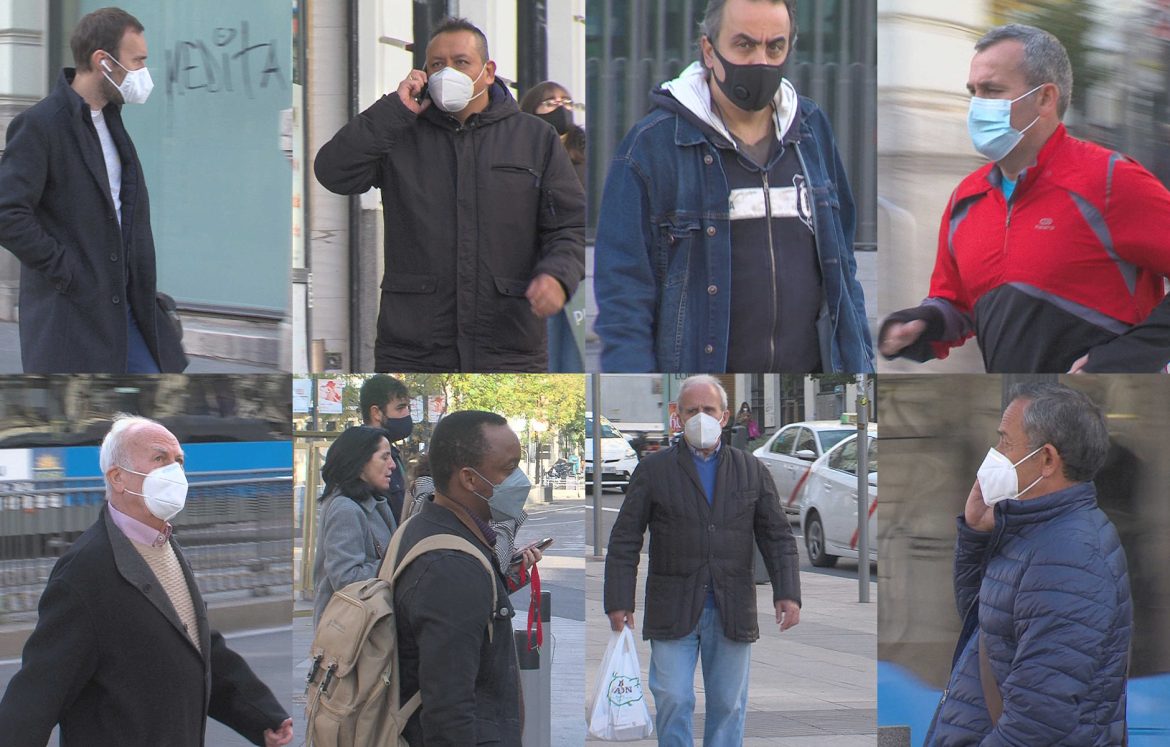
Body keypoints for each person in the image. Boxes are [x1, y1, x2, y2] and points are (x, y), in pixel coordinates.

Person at [593, 0, 873, 374]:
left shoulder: (812, 129)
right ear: (709, 50)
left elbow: (843, 267)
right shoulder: (651, 147)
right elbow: (623, 296)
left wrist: (863, 364)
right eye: (744, 45)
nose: (761, 61)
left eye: (774, 46)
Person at [879, 24, 1170, 373]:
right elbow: (957, 304)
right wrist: (920, 324)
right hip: (1018, 401)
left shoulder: (1111, 180)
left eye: (992, 90)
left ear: (1045, 98)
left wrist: (1129, 358)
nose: (976, 106)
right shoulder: (965, 199)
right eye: (973, 91)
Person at [0, 415, 292, 746]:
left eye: (179, 461)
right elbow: (35, 696)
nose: (175, 472)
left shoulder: (166, 545)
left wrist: (262, 716)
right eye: (160, 459)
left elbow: (196, 644)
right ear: (118, 477)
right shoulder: (84, 571)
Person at [314, 18, 585, 372]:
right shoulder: (400, 133)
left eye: (461, 62)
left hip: (508, 345)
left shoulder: (534, 138)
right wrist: (393, 111)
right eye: (437, 65)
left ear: (488, 72)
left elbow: (569, 225)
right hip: (414, 347)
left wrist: (557, 275)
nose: (448, 72)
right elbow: (333, 171)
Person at [925, 383, 1131, 745]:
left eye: (1005, 441)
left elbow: (1038, 719)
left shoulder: (1069, 554)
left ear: (1048, 459)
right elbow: (986, 625)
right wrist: (975, 534)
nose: (995, 454)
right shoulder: (1034, 530)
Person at [604, 375, 801, 746]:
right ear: (677, 416)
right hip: (673, 608)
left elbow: (777, 536)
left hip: (731, 609)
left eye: (708, 410)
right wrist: (619, 601)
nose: (701, 417)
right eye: (691, 410)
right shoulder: (654, 470)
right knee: (673, 698)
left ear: (724, 416)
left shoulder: (751, 469)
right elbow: (625, 539)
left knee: (728, 705)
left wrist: (787, 593)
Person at [0, 7, 185, 373]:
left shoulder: (111, 122)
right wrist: (67, 270)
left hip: (126, 308)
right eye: (137, 61)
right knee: (91, 424)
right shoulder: (41, 125)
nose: (142, 74)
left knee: (154, 404)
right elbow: (7, 213)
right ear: (103, 61)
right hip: (74, 316)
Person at [392, 410, 542, 743]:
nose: (520, 479)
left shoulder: (426, 528)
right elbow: (449, 712)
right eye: (508, 469)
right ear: (469, 478)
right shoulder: (451, 566)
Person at [519, 80, 588, 372]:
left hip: (569, 275)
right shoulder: (520, 156)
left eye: (566, 102)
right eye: (550, 102)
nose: (560, 108)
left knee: (572, 357)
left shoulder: (583, 160)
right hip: (532, 275)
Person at [312, 425, 398, 626]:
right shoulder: (345, 509)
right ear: (359, 462)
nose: (392, 465)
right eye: (384, 457)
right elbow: (346, 579)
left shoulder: (372, 503)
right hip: (350, 636)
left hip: (367, 627)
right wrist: (399, 564)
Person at [360, 374, 412, 519]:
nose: (407, 414)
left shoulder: (392, 452)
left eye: (408, 407)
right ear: (376, 413)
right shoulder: (363, 457)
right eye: (400, 408)